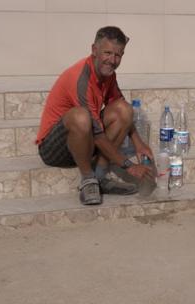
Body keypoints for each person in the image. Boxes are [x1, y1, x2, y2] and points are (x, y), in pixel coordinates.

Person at [36, 26, 154, 205]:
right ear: (94, 50)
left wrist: (139, 144)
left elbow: (122, 111)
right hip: (54, 149)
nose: (112, 60)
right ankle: (88, 180)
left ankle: (99, 177)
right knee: (80, 116)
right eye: (107, 53)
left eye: (118, 55)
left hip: (85, 142)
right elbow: (97, 134)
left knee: (123, 109)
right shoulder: (80, 77)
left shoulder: (108, 74)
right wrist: (129, 166)